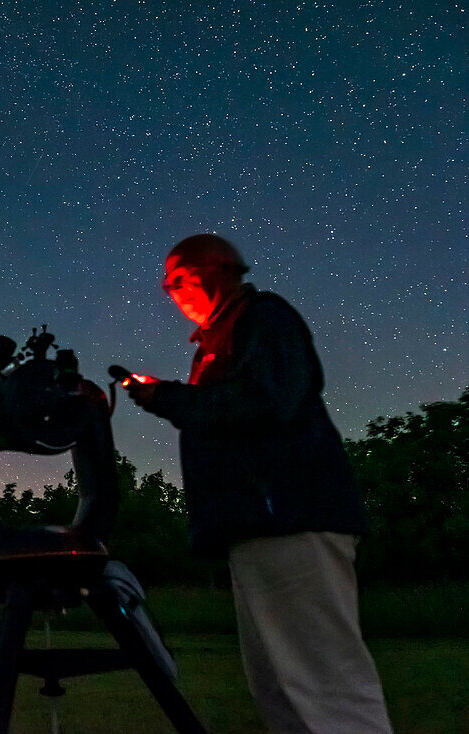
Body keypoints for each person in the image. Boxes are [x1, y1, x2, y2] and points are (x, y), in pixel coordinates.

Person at [124, 233, 393, 733]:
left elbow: (266, 401)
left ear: (221, 269)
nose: (171, 291)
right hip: (257, 529)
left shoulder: (264, 318)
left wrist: (168, 398)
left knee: (323, 682)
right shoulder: (223, 337)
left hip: (293, 519)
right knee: (278, 688)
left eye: (180, 279)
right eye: (168, 284)